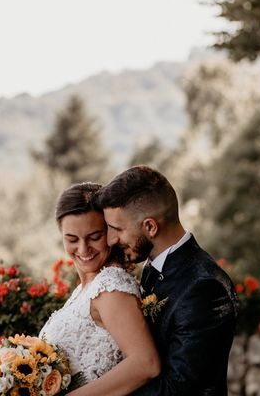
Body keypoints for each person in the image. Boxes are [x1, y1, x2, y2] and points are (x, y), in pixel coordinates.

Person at [95, 165, 238, 396]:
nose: (111, 240)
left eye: (117, 229)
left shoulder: (204, 287)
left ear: (150, 226)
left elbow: (178, 389)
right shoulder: (154, 266)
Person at [39, 182, 160, 396]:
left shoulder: (110, 286)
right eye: (72, 239)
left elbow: (145, 363)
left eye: (95, 237)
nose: (84, 249)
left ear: (110, 232)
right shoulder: (84, 290)